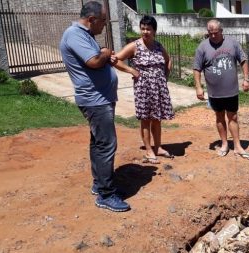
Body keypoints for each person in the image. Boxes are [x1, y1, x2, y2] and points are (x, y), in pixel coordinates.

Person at [59, 1, 131, 212]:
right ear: (91, 20)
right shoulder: (74, 34)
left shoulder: (85, 35)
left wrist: (104, 53)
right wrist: (106, 53)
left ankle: (99, 184)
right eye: (103, 21)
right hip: (95, 100)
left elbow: (94, 57)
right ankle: (106, 195)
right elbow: (93, 61)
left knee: (98, 143)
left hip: (100, 98)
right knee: (107, 145)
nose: (104, 25)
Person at [111, 15, 175, 164]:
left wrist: (165, 77)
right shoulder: (135, 46)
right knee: (146, 120)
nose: (145, 31)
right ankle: (148, 150)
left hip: (158, 88)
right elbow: (115, 59)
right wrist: (131, 70)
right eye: (143, 28)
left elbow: (168, 60)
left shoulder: (158, 46)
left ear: (154, 31)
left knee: (157, 119)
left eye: (148, 29)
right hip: (143, 89)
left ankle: (158, 147)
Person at [193, 19, 249, 160]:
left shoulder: (232, 43)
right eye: (210, 33)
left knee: (233, 117)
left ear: (221, 31)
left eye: (215, 33)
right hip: (214, 92)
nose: (213, 36)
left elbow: (243, 60)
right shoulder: (202, 47)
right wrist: (198, 87)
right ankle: (225, 144)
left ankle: (238, 146)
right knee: (219, 117)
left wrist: (246, 79)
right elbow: (197, 68)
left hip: (231, 90)